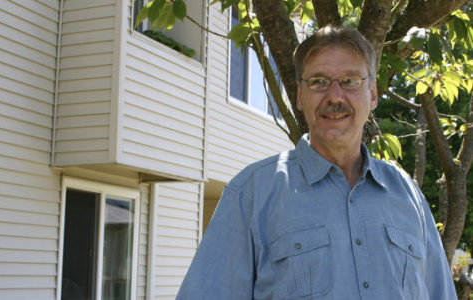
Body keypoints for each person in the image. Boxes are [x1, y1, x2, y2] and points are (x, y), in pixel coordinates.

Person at [176, 25, 457, 299]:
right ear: (300, 96)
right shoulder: (251, 194)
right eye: (319, 82)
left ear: (372, 94)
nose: (335, 96)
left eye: (349, 81)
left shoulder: (409, 198)